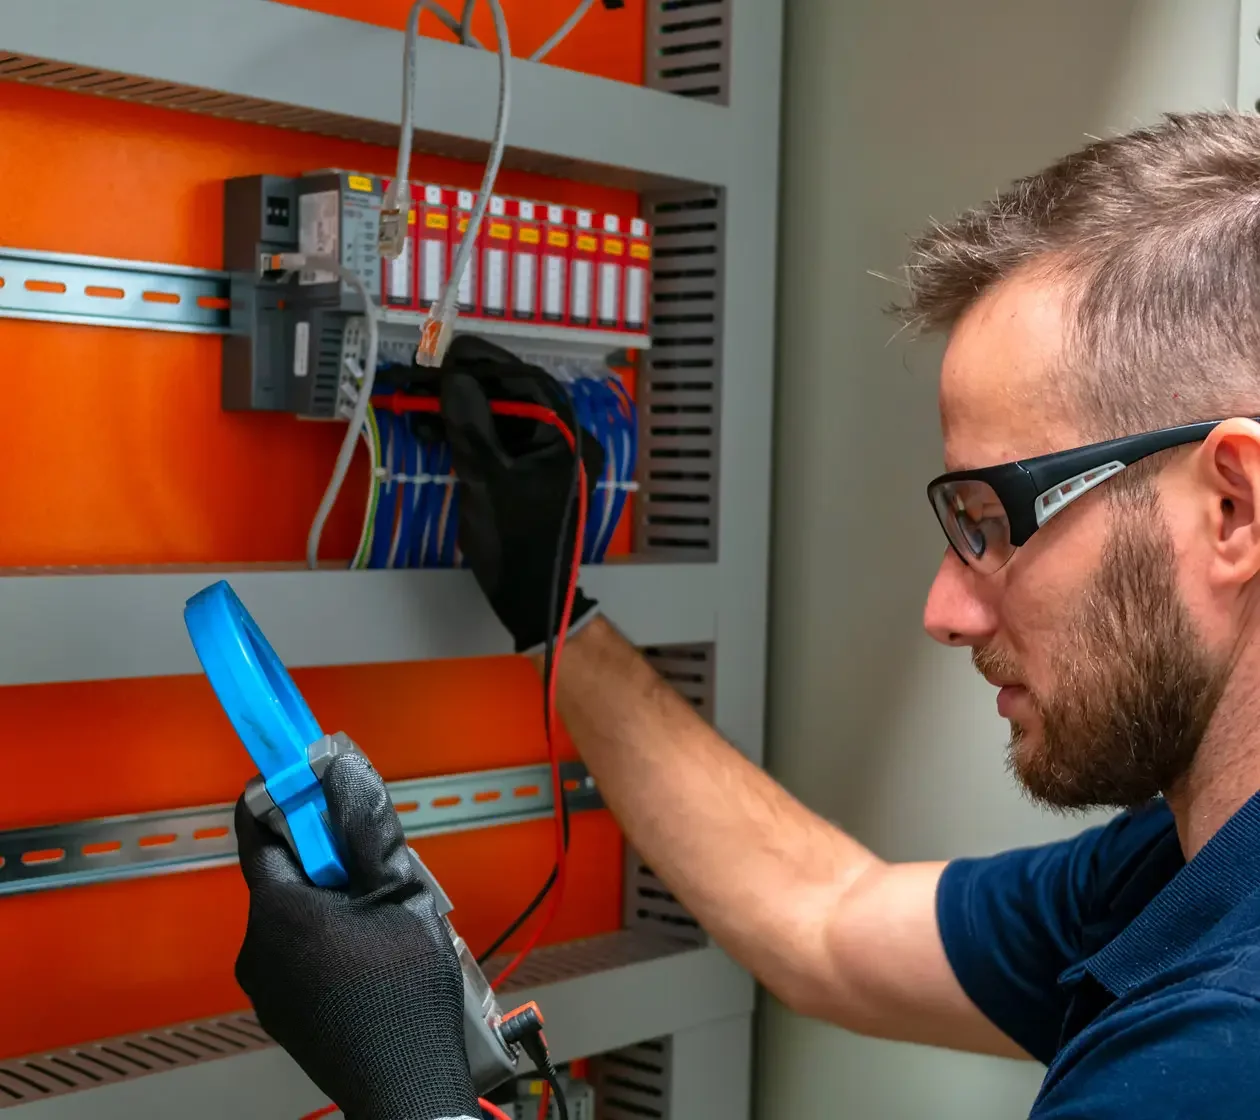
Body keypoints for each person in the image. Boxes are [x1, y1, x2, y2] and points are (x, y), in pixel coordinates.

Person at [237, 109, 1260, 1117]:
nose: (945, 610)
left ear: (1233, 507)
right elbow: (829, 921)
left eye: (994, 520)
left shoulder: (1214, 1050)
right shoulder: (1178, 868)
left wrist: (419, 1096)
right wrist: (558, 617)